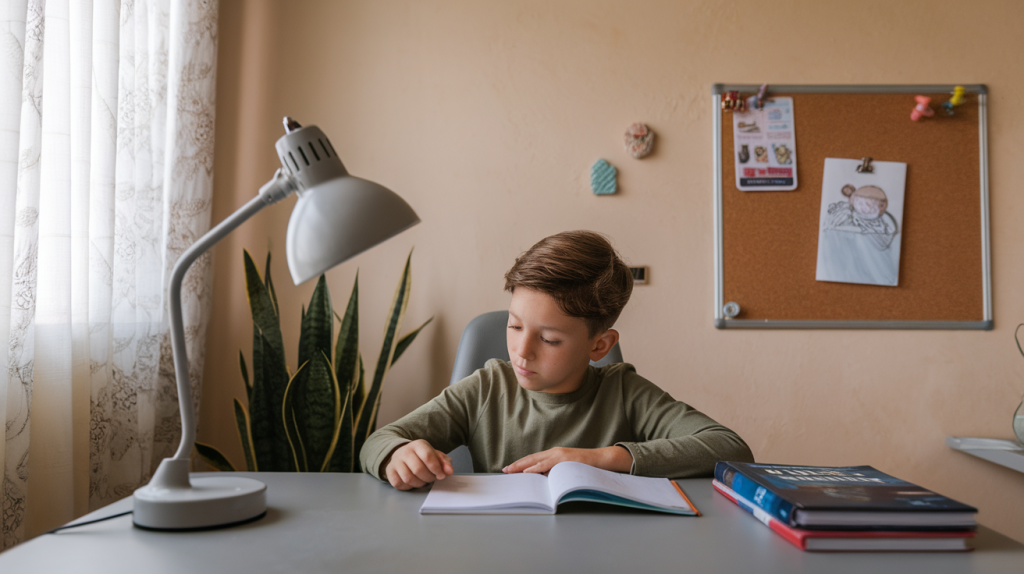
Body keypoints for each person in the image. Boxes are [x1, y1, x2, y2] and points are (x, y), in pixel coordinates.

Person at [359, 230, 754, 490]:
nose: (521, 351)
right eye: (514, 327)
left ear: (599, 346)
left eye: (548, 339)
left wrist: (602, 458)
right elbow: (378, 440)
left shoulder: (624, 392)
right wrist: (398, 455)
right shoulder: (485, 389)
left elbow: (730, 448)